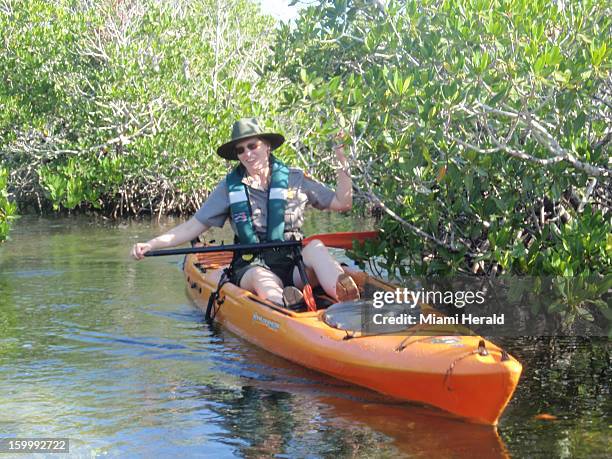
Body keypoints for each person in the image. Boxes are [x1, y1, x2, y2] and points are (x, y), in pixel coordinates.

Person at [131, 117, 359, 308]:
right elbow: (192, 227)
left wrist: (341, 158)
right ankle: (287, 306)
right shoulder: (228, 189)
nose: (247, 154)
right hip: (252, 264)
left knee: (317, 247)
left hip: (293, 262)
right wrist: (151, 244)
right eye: (241, 150)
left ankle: (349, 301)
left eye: (252, 146)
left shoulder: (295, 179)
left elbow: (342, 203)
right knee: (262, 277)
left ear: (266, 146)